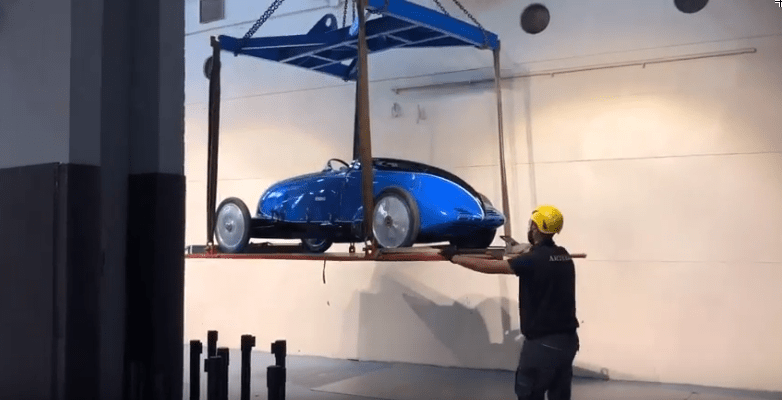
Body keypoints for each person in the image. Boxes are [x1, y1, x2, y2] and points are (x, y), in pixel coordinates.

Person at [440, 205, 580, 400]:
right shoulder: (564, 255)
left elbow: (491, 266)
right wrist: (519, 247)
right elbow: (539, 253)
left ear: (535, 228)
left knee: (529, 392)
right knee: (559, 394)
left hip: (542, 345)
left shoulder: (531, 261)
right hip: (568, 342)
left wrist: (455, 258)